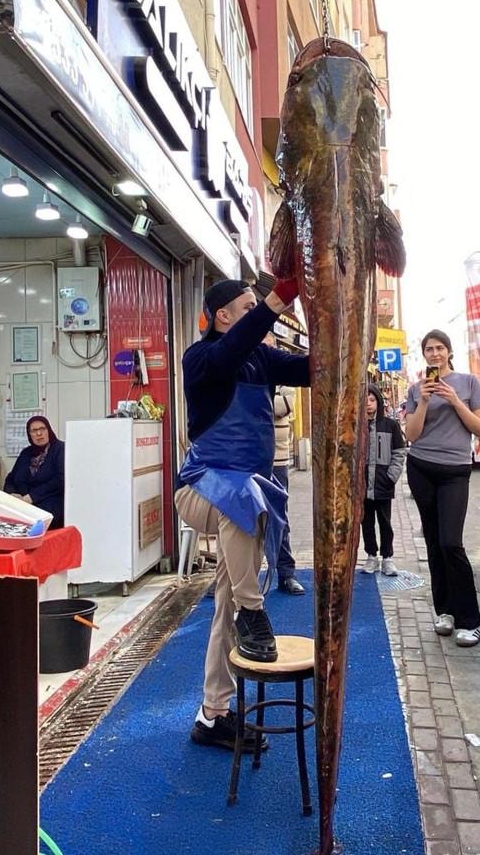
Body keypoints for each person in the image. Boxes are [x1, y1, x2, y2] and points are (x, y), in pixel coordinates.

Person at [175, 277, 307, 753]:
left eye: (259, 306)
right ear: (223, 316)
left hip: (247, 499)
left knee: (224, 604)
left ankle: (213, 714)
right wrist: (276, 301)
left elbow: (314, 369)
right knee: (245, 498)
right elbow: (229, 353)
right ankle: (255, 611)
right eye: (249, 307)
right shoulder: (200, 358)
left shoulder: (264, 359)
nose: (259, 314)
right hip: (199, 489)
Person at [404, 329, 480, 647]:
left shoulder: (468, 383)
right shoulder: (416, 389)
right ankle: (445, 611)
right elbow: (412, 435)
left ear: (449, 352)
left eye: (440, 348)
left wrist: (454, 401)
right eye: (429, 349)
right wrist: (424, 401)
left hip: (455, 471)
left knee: (451, 542)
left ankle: (471, 620)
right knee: (434, 542)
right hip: (421, 467)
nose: (435, 353)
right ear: (424, 354)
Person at [266, 333, 305, 596]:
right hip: (248, 458)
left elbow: (284, 406)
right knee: (241, 520)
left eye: (269, 347)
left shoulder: (284, 378)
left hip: (277, 460)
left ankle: (286, 573)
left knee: (279, 517)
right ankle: (233, 576)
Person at [361, 383, 406, 576]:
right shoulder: (356, 426)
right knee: (366, 523)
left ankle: (388, 557)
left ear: (378, 402)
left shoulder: (390, 425)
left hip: (383, 484)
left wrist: (391, 476)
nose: (368, 404)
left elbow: (399, 452)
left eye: (372, 400)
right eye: (365, 400)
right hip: (362, 486)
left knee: (385, 523)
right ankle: (371, 556)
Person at [4, 415, 65, 527]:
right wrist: (12, 495)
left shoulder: (60, 449)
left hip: (50, 508)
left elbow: (60, 480)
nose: (39, 433)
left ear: (48, 430)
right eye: (34, 431)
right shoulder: (26, 453)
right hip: (22, 507)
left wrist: (31, 497)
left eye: (42, 429)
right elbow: (11, 478)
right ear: (29, 434)